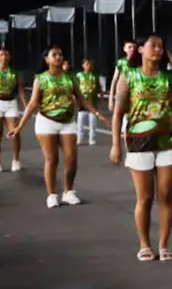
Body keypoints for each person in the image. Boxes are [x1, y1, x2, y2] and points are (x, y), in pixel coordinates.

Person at [110, 33, 172, 262]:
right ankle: (144, 244)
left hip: (167, 141)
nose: (158, 50)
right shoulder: (129, 75)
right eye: (153, 46)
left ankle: (164, 244)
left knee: (166, 196)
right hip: (138, 142)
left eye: (161, 46)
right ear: (140, 49)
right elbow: (118, 113)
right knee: (145, 198)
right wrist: (116, 145)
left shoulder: (167, 76)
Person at [9, 46, 107, 208]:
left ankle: (68, 191)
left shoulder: (70, 78)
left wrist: (98, 114)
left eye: (60, 54)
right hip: (46, 121)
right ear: (47, 59)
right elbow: (33, 103)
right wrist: (19, 126)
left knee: (71, 158)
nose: (58, 57)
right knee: (52, 159)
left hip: (67, 122)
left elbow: (82, 100)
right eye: (54, 55)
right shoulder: (40, 79)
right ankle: (52, 194)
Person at [74, 59, 101, 146]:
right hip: (83, 102)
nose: (89, 66)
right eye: (87, 64)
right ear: (83, 65)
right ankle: (79, 138)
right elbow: (75, 87)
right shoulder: (79, 75)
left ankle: (92, 139)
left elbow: (99, 87)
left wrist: (101, 97)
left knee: (93, 121)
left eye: (90, 64)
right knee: (80, 120)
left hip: (93, 101)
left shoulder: (94, 76)